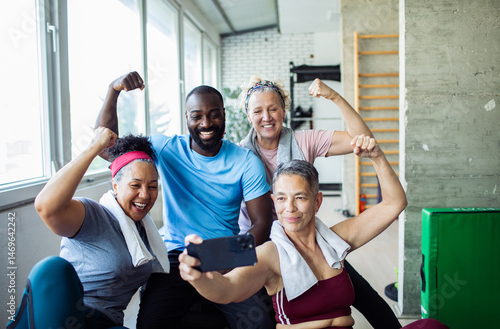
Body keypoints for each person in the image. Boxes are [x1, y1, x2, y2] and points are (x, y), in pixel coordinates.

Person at [179, 137, 448, 329]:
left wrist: (377, 157)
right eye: (282, 199)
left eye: (300, 198)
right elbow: (229, 289)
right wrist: (200, 278)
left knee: (432, 326)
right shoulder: (271, 254)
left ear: (317, 201)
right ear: (274, 201)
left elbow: (394, 204)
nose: (290, 208)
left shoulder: (335, 240)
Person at [95, 72, 275, 328]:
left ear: (223, 115)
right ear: (187, 119)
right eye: (197, 116)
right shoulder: (167, 149)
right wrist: (113, 90)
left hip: (228, 255)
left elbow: (262, 225)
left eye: (213, 114)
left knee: (262, 324)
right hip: (177, 256)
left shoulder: (246, 162)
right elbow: (106, 147)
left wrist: (222, 257)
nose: (206, 123)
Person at [236, 76, 402, 328]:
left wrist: (334, 97)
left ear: (283, 111)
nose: (266, 117)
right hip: (264, 246)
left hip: (307, 239)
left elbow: (362, 140)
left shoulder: (304, 141)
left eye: (273, 109)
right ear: (249, 116)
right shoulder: (239, 155)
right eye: (258, 111)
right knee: (266, 316)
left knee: (369, 300)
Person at [7, 127, 170, 329]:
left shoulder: (147, 236)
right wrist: (94, 147)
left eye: (153, 186)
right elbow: (46, 207)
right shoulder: (94, 215)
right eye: (135, 185)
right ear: (116, 186)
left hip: (106, 322)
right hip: (61, 313)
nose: (145, 195)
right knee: (52, 268)